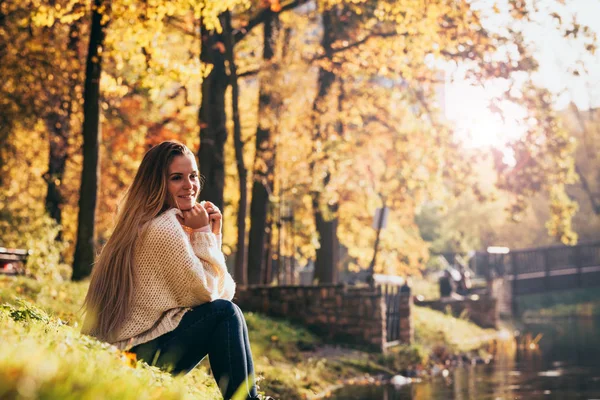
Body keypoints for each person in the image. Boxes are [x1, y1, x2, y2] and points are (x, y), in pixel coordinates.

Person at [81, 141, 267, 400]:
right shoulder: (164, 229)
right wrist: (204, 235)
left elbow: (222, 291)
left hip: (124, 354)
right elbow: (210, 297)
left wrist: (212, 234)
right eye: (176, 178)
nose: (189, 185)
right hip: (127, 361)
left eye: (192, 176)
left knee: (228, 311)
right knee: (226, 314)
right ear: (157, 183)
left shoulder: (151, 222)